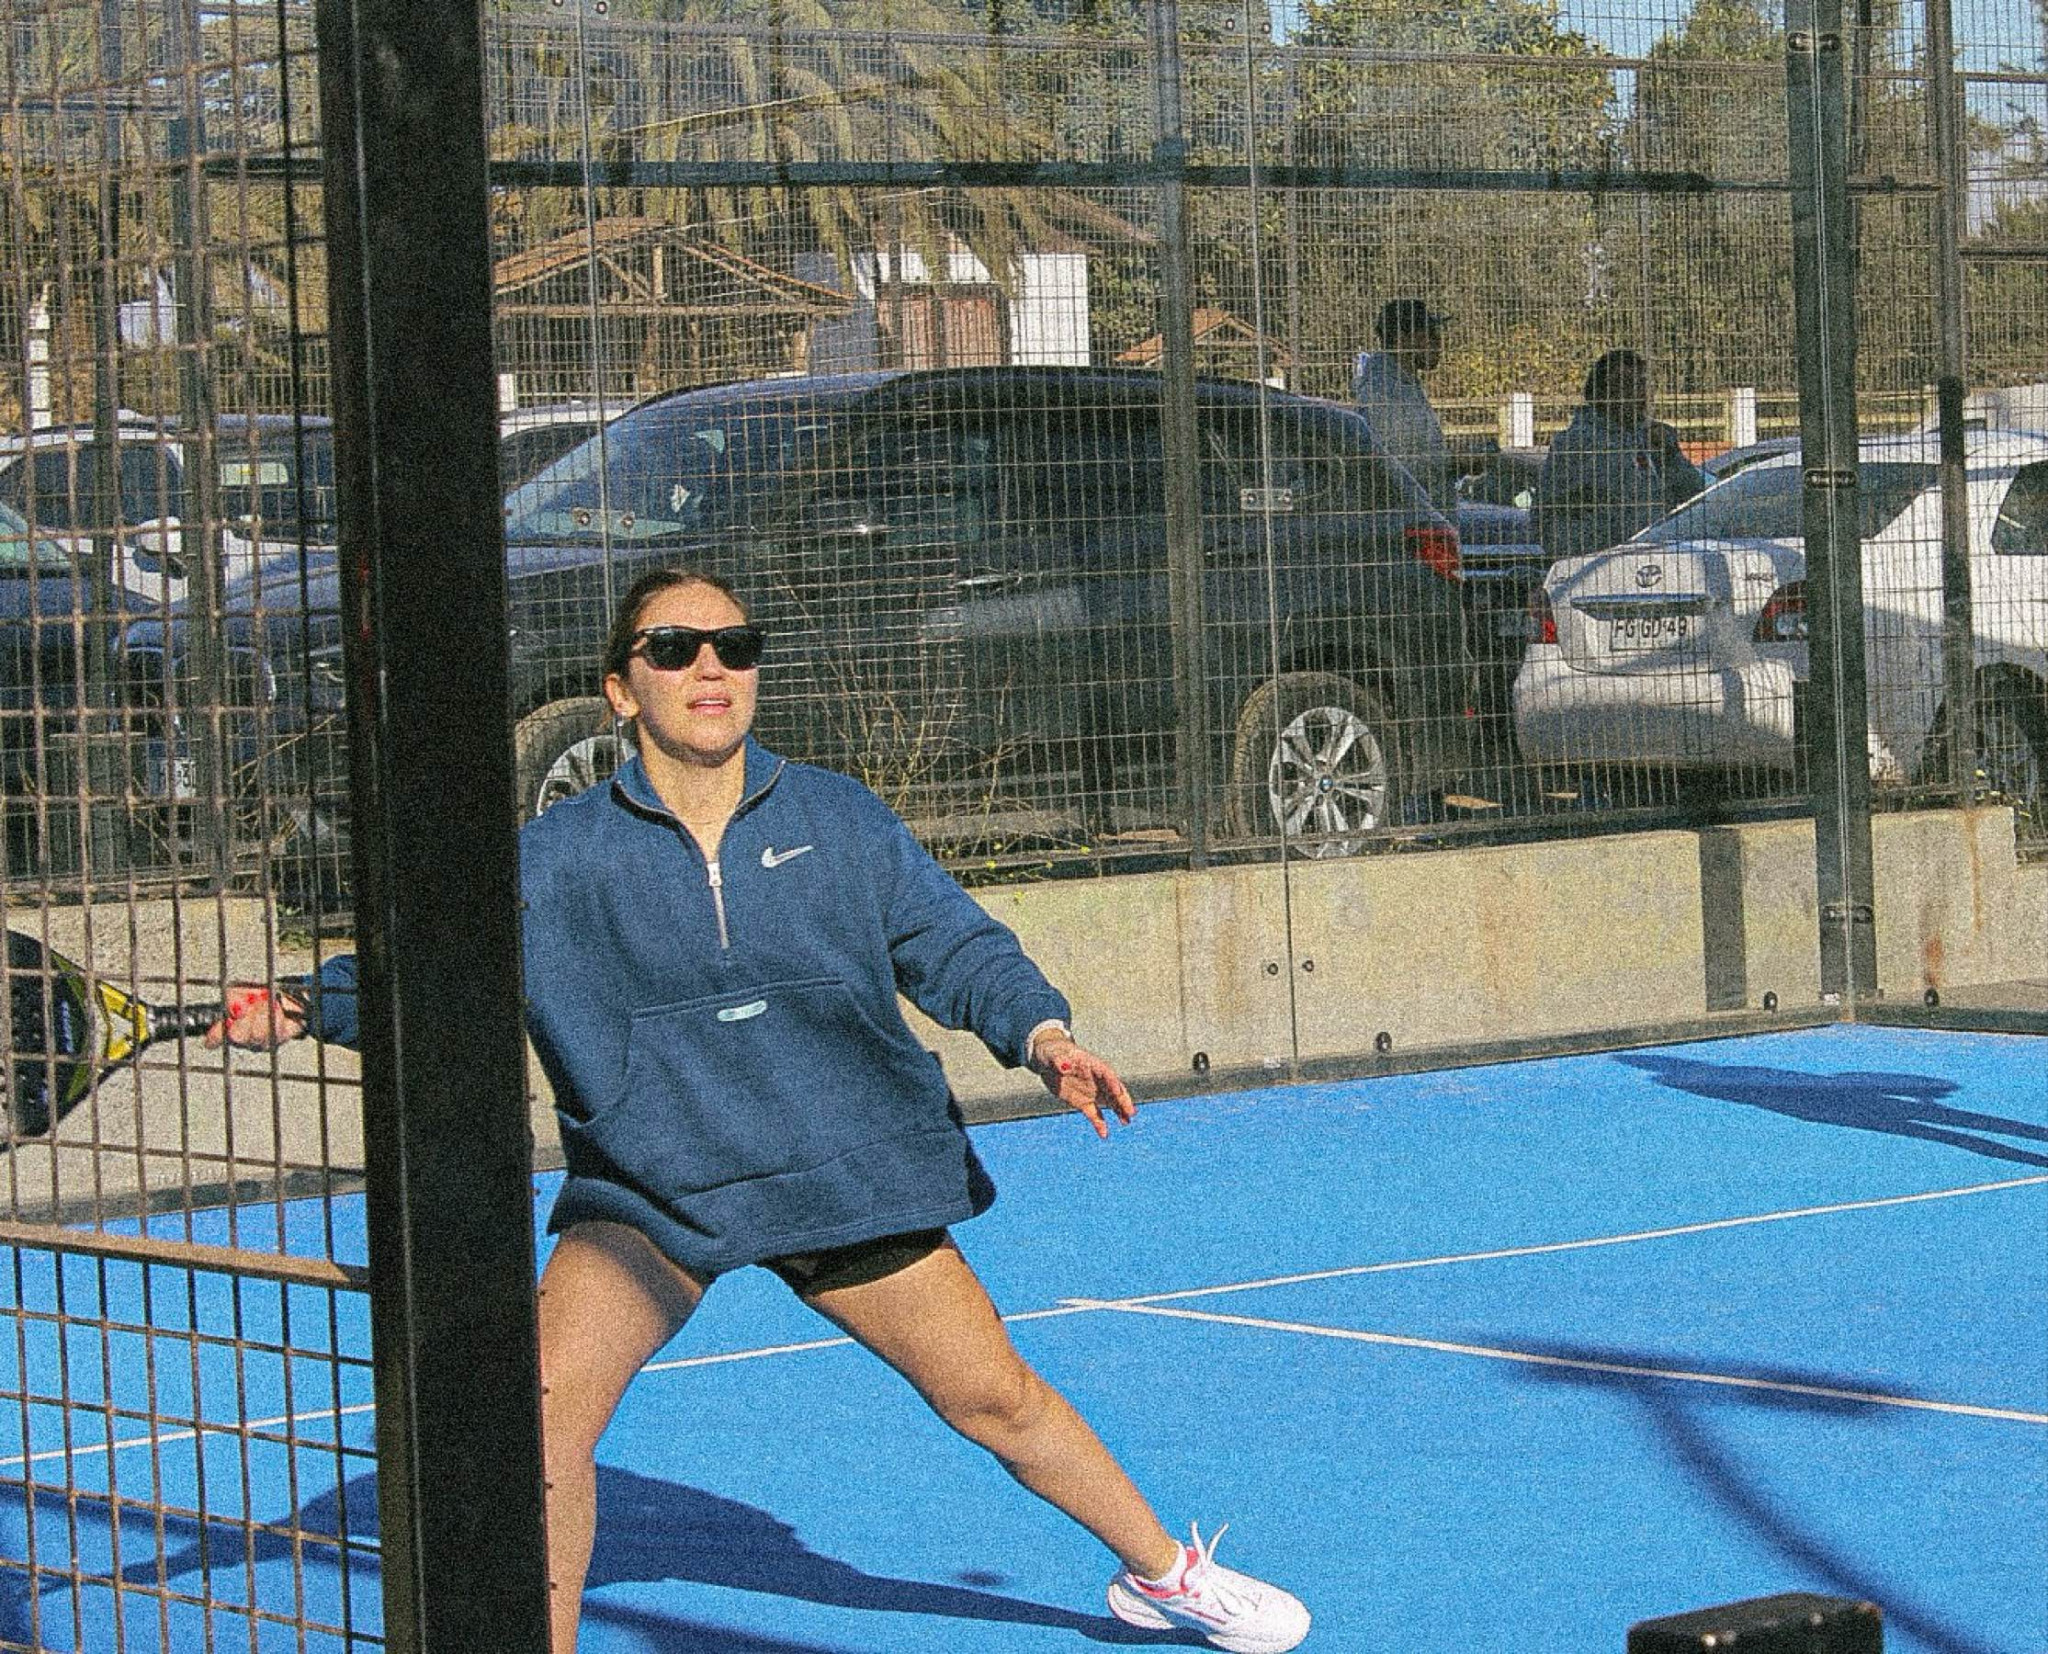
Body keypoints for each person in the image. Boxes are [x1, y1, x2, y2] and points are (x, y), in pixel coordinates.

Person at [211, 566, 1311, 1654]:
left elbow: (952, 943)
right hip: (656, 1189)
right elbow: (434, 970)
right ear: (620, 689)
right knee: (538, 1423)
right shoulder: (551, 860)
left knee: (997, 1400)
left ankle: (1165, 1575)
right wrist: (306, 1004)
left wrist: (1043, 1035)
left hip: (840, 1169)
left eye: (734, 648)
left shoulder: (839, 816)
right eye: (674, 647)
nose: (710, 667)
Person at [1531, 348, 1708, 560]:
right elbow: (1550, 517)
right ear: (1603, 393)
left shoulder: (1653, 438)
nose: (1639, 394)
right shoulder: (1577, 443)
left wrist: (1669, 454)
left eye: (1642, 384)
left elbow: (1695, 495)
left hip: (1659, 558)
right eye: (1626, 385)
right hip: (1602, 562)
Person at [1352, 296, 1455, 512]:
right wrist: (1458, 461)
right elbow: (1398, 466)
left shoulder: (1404, 383)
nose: (1438, 342)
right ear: (1402, 339)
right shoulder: (1383, 391)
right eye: (1429, 334)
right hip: (1408, 519)